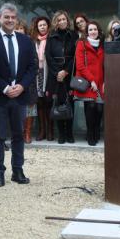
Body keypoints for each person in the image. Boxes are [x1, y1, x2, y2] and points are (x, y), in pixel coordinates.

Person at [0, 3, 37, 187]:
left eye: (13, 17)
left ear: (16, 19)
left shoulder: (25, 40)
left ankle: (18, 170)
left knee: (18, 135)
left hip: (20, 96)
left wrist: (21, 86)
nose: (10, 20)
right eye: (7, 17)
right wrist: (5, 88)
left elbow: (32, 67)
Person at [45, 10, 77, 144]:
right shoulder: (51, 36)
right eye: (59, 20)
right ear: (56, 22)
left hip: (68, 75)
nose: (62, 22)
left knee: (70, 103)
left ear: (67, 21)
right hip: (55, 76)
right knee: (58, 103)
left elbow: (75, 56)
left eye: (64, 19)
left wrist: (65, 71)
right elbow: (48, 56)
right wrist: (57, 72)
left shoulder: (73, 35)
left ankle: (69, 133)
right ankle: (61, 134)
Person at [72, 20, 105, 146]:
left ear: (99, 31)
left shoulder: (102, 45)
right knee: (90, 107)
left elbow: (106, 65)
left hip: (100, 81)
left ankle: (96, 132)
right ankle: (90, 134)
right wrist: (91, 80)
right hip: (87, 81)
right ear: (86, 32)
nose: (93, 32)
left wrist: (104, 81)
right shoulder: (81, 44)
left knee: (100, 108)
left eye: (95, 29)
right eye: (90, 30)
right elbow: (80, 66)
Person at [30, 16, 53, 141]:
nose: (42, 27)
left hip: (48, 73)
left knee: (49, 102)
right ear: (37, 27)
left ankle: (50, 131)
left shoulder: (51, 39)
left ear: (48, 26)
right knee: (39, 103)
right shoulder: (34, 40)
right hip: (37, 74)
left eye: (44, 25)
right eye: (40, 25)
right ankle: (42, 131)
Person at [16, 19, 37, 144]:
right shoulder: (10, 41)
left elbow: (34, 61)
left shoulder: (29, 42)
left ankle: (27, 132)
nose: (19, 30)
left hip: (28, 80)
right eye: (17, 28)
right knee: (18, 108)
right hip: (15, 80)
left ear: (25, 30)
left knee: (30, 107)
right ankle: (19, 132)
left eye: (21, 28)